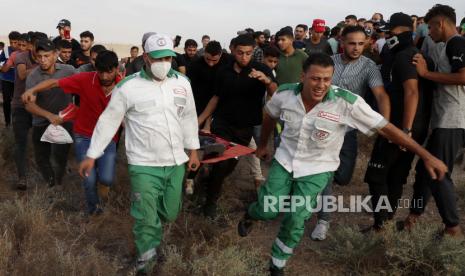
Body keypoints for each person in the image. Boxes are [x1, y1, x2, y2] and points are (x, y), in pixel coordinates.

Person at [237, 53, 447, 276]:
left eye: (327, 79)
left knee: (297, 217)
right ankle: (252, 215)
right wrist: (262, 145)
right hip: (284, 161)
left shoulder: (346, 103)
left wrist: (425, 155)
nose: (321, 85)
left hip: (317, 169)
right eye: (315, 79)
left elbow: (386, 128)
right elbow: (269, 115)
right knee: (268, 209)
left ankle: (277, 264)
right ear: (303, 76)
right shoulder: (285, 93)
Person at [78, 33, 200, 274]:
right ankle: (146, 259)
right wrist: (92, 154)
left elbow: (188, 117)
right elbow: (108, 122)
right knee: (145, 217)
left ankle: (153, 232)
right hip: (143, 163)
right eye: (158, 58)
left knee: (170, 212)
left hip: (176, 161)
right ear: (145, 57)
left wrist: (193, 150)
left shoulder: (182, 84)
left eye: (167, 57)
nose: (164, 63)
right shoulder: (128, 86)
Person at [310, 25, 391, 241]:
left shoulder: (369, 67)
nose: (356, 48)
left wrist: (385, 124)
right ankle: (323, 220)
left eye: (360, 44)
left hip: (348, 130)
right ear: (342, 42)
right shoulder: (329, 62)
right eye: (351, 43)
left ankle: (312, 187)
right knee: (326, 173)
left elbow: (381, 95)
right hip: (322, 127)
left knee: (344, 177)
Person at [23, 50, 121, 215]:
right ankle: (94, 210)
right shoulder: (85, 79)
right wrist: (32, 90)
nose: (104, 76)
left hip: (108, 138)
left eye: (109, 72)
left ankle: (102, 181)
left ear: (117, 69)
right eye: (100, 72)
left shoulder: (125, 87)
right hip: (84, 135)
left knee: (106, 178)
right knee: (88, 179)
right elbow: (54, 82)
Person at [364, 12, 434, 231]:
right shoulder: (414, 54)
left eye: (389, 31)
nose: (386, 36)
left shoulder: (405, 55)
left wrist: (405, 130)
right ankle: (384, 225)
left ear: (399, 31)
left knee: (377, 176)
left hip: (401, 127)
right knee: (396, 176)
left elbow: (412, 92)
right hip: (413, 126)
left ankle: (380, 225)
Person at [402, 4, 465, 238]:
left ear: (440, 23)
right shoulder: (445, 46)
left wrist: (426, 74)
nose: (428, 32)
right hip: (442, 120)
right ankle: (413, 218)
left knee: (437, 172)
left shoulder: (457, 43)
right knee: (423, 169)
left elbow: (463, 76)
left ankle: (452, 229)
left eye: (430, 27)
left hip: (452, 119)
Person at [197, 34, 277, 217]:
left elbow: (276, 93)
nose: (244, 57)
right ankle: (210, 204)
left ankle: (206, 184)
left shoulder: (262, 69)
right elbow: (216, 98)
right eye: (240, 53)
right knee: (221, 161)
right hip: (223, 124)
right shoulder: (223, 71)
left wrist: (266, 81)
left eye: (248, 53)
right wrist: (200, 120)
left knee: (229, 167)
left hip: (245, 128)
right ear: (233, 50)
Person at [23, 39, 75, 188]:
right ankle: (51, 184)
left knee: (60, 156)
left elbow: (82, 84)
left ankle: (59, 183)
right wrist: (49, 116)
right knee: (41, 158)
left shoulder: (69, 70)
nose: (42, 60)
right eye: (39, 56)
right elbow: (29, 105)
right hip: (41, 122)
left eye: (46, 55)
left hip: (64, 122)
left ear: (55, 54)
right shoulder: (33, 76)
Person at [9, 32, 45, 189]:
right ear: (31, 45)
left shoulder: (47, 59)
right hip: (21, 106)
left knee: (45, 142)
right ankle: (22, 177)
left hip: (40, 107)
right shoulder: (21, 57)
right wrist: (42, 67)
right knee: (21, 142)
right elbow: (22, 75)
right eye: (37, 46)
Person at [0, 31, 21, 128]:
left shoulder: (23, 50)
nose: (13, 45)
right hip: (6, 80)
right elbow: (1, 62)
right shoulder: (6, 50)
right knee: (6, 101)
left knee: (18, 102)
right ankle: (8, 122)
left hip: (18, 81)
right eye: (11, 42)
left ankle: (18, 121)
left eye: (15, 42)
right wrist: (5, 65)